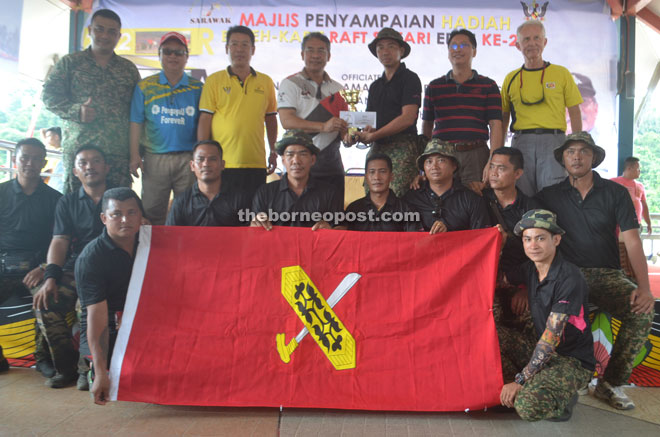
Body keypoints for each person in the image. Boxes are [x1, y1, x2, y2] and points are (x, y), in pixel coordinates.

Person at [536, 131, 655, 410]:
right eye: (570, 152)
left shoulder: (615, 193)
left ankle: (610, 383)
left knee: (642, 312)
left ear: (594, 157)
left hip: (608, 274)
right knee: (544, 315)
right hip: (567, 276)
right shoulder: (549, 195)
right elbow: (526, 224)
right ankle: (568, 377)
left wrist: (644, 287)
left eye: (583, 151)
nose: (576, 156)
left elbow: (633, 239)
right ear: (563, 159)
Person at [499, 209, 595, 422]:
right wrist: (498, 245)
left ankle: (560, 401)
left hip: (570, 360)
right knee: (495, 336)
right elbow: (499, 279)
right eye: (528, 239)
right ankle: (532, 386)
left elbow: (550, 340)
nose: (533, 245)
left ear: (556, 240)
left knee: (527, 407)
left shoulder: (569, 277)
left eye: (540, 238)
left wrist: (521, 380)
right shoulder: (530, 268)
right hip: (541, 353)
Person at [31, 145, 109, 390]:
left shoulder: (120, 197)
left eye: (96, 161)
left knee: (85, 306)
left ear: (106, 168)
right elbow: (60, 240)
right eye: (83, 163)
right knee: (46, 301)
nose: (90, 167)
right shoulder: (68, 202)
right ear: (75, 171)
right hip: (74, 270)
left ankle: (87, 370)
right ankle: (64, 368)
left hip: (109, 273)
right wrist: (51, 276)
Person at [42, 8, 140, 193]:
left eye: (112, 31)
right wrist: (76, 111)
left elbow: (139, 113)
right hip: (80, 155)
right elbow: (48, 96)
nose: (105, 35)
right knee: (77, 210)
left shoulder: (128, 70)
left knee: (117, 210)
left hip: (117, 156)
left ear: (119, 36)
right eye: (99, 29)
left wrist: (137, 152)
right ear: (89, 31)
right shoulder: (70, 63)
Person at [75, 187, 143, 405]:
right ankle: (89, 365)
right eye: (116, 214)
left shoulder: (151, 243)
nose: (125, 220)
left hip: (142, 316)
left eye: (132, 212)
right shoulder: (91, 259)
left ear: (141, 216)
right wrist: (102, 371)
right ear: (104, 218)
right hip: (109, 320)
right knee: (116, 377)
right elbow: (98, 317)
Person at [0, 139, 61, 381]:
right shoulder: (1, 193)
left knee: (49, 296)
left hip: (37, 267)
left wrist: (44, 268)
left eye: (37, 158)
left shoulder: (55, 199)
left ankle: (43, 357)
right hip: (3, 263)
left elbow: (61, 240)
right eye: (25, 157)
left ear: (44, 163)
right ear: (15, 160)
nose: (30, 163)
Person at [501, 20, 583, 196]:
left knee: (554, 194)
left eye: (537, 38)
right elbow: (503, 117)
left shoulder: (561, 73)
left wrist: (577, 144)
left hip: (554, 141)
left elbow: (575, 111)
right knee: (522, 194)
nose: (532, 43)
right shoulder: (511, 78)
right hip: (521, 143)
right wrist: (499, 151)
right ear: (517, 45)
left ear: (545, 42)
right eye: (526, 39)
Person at [129, 32, 203, 225]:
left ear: (186, 57)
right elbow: (136, 121)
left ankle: (184, 254)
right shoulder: (145, 86)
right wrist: (134, 154)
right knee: (152, 212)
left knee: (188, 213)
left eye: (179, 52)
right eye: (167, 51)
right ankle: (153, 254)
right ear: (159, 55)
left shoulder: (198, 88)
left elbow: (205, 123)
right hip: (155, 159)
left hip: (188, 160)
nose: (173, 56)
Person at [198, 25, 277, 200]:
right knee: (224, 218)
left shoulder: (266, 82)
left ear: (253, 50)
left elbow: (271, 119)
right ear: (227, 49)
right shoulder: (214, 80)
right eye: (234, 44)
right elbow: (205, 119)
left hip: (255, 162)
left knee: (252, 215)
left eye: (245, 45)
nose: (239, 49)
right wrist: (203, 156)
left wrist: (273, 150)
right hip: (222, 163)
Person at [422, 29, 503, 191]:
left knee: (477, 202)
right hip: (442, 156)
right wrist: (426, 161)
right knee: (443, 203)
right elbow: (426, 127)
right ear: (448, 53)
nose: (457, 49)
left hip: (476, 155)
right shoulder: (434, 87)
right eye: (453, 46)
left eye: (464, 45)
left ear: (474, 51)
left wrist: (493, 162)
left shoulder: (488, 85)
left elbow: (496, 125)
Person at [345, 27, 422, 197]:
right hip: (378, 146)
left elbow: (408, 118)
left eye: (391, 46)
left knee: (398, 194)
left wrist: (374, 135)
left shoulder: (410, 79)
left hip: (403, 146)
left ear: (401, 50)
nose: (385, 51)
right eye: (380, 47)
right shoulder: (375, 86)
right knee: (371, 193)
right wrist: (354, 133)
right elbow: (369, 122)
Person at [277, 32, 349, 196]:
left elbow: (345, 128)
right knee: (298, 218)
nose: (316, 55)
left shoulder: (338, 89)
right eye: (310, 50)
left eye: (321, 51)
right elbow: (287, 121)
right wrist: (324, 126)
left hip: (332, 163)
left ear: (328, 56)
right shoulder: (290, 83)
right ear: (302, 54)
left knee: (334, 218)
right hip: (299, 163)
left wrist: (353, 136)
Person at [482, 148, 538, 327]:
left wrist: (528, 290)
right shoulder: (477, 200)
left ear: (518, 173)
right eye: (491, 167)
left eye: (501, 168)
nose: (494, 173)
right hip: (486, 283)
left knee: (532, 317)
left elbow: (544, 256)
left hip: (519, 282)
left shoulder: (531, 209)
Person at [251, 130, 342, 229]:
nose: (296, 161)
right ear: (283, 160)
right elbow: (255, 230)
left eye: (302, 154)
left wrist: (330, 231)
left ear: (312, 160)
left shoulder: (329, 193)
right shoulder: (265, 193)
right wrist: (256, 224)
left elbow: (341, 228)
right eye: (290, 155)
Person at [403, 139, 491, 233]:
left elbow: (481, 238)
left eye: (441, 160)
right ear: (423, 168)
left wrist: (448, 234)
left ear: (454, 166)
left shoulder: (471, 199)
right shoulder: (412, 199)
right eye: (429, 162)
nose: (434, 167)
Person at [166, 140, 251, 226]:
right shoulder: (181, 202)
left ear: (222, 165)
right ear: (192, 166)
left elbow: (249, 232)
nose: (206, 164)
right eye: (200, 159)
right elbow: (171, 235)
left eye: (212, 159)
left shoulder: (241, 199)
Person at [339, 153, 420, 232]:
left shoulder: (406, 210)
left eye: (382, 171)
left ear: (391, 176)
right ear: (366, 177)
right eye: (372, 172)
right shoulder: (353, 209)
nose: (377, 177)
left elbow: (414, 242)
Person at [612, 157, 652, 234]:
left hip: (636, 224)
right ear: (629, 168)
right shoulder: (613, 182)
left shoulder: (640, 185)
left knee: (635, 245)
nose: (640, 171)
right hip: (618, 224)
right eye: (638, 169)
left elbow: (644, 206)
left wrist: (649, 223)